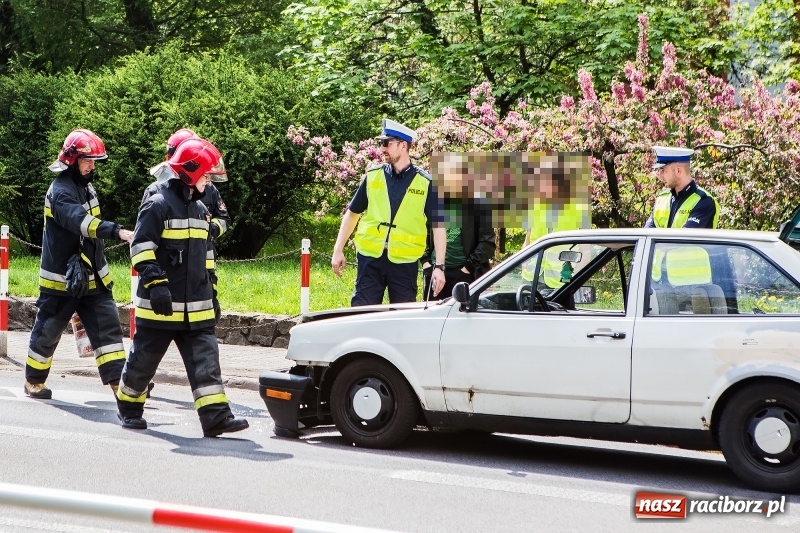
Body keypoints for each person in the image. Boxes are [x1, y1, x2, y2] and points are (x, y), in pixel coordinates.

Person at [117, 137, 248, 437]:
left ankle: (216, 417)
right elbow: (140, 248)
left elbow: (204, 255)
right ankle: (129, 407)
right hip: (161, 305)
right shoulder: (158, 203)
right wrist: (156, 284)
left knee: (206, 362)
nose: (208, 181)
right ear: (190, 173)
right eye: (204, 175)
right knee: (143, 362)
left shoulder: (201, 209)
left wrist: (211, 292)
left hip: (197, 306)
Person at [25, 129, 133, 399]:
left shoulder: (86, 186)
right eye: (87, 160)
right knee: (48, 330)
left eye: (95, 161)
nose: (92, 166)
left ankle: (120, 384)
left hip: (92, 276)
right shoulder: (60, 191)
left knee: (108, 329)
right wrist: (117, 231)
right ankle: (33, 381)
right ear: (72, 160)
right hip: (61, 279)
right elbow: (82, 223)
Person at [331, 118, 446, 305]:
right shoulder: (373, 176)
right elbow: (352, 213)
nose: (382, 148)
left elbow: (438, 226)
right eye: (381, 143)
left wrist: (439, 266)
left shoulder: (425, 183)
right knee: (362, 313)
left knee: (401, 317)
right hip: (370, 259)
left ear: (403, 145)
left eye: (387, 143)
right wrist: (338, 250)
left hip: (404, 263)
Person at [421, 160, 495, 300]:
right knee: (432, 313)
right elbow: (421, 232)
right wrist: (426, 262)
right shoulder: (433, 202)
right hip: (435, 272)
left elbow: (488, 242)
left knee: (462, 313)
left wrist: (468, 268)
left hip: (463, 273)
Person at [644, 146, 719, 228]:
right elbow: (646, 233)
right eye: (658, 171)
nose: (660, 176)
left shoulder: (704, 200)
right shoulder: (662, 199)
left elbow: (685, 236)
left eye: (663, 170)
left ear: (678, 170)